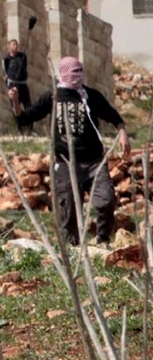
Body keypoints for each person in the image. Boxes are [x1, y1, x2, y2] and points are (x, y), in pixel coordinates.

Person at [10, 56, 130, 246]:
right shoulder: (53, 96)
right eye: (74, 72)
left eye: (80, 71)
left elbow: (113, 116)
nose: (78, 75)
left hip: (94, 162)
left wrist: (122, 133)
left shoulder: (90, 96)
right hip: (64, 163)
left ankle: (102, 240)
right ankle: (72, 248)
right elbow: (25, 118)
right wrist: (15, 101)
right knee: (68, 210)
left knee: (106, 199)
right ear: (64, 73)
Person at [2, 39, 31, 111]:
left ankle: (29, 120)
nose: (16, 46)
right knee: (15, 105)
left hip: (23, 84)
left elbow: (24, 67)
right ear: (9, 46)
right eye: (14, 44)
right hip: (13, 84)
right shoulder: (6, 59)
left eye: (16, 44)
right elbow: (4, 72)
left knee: (28, 105)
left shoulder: (22, 56)